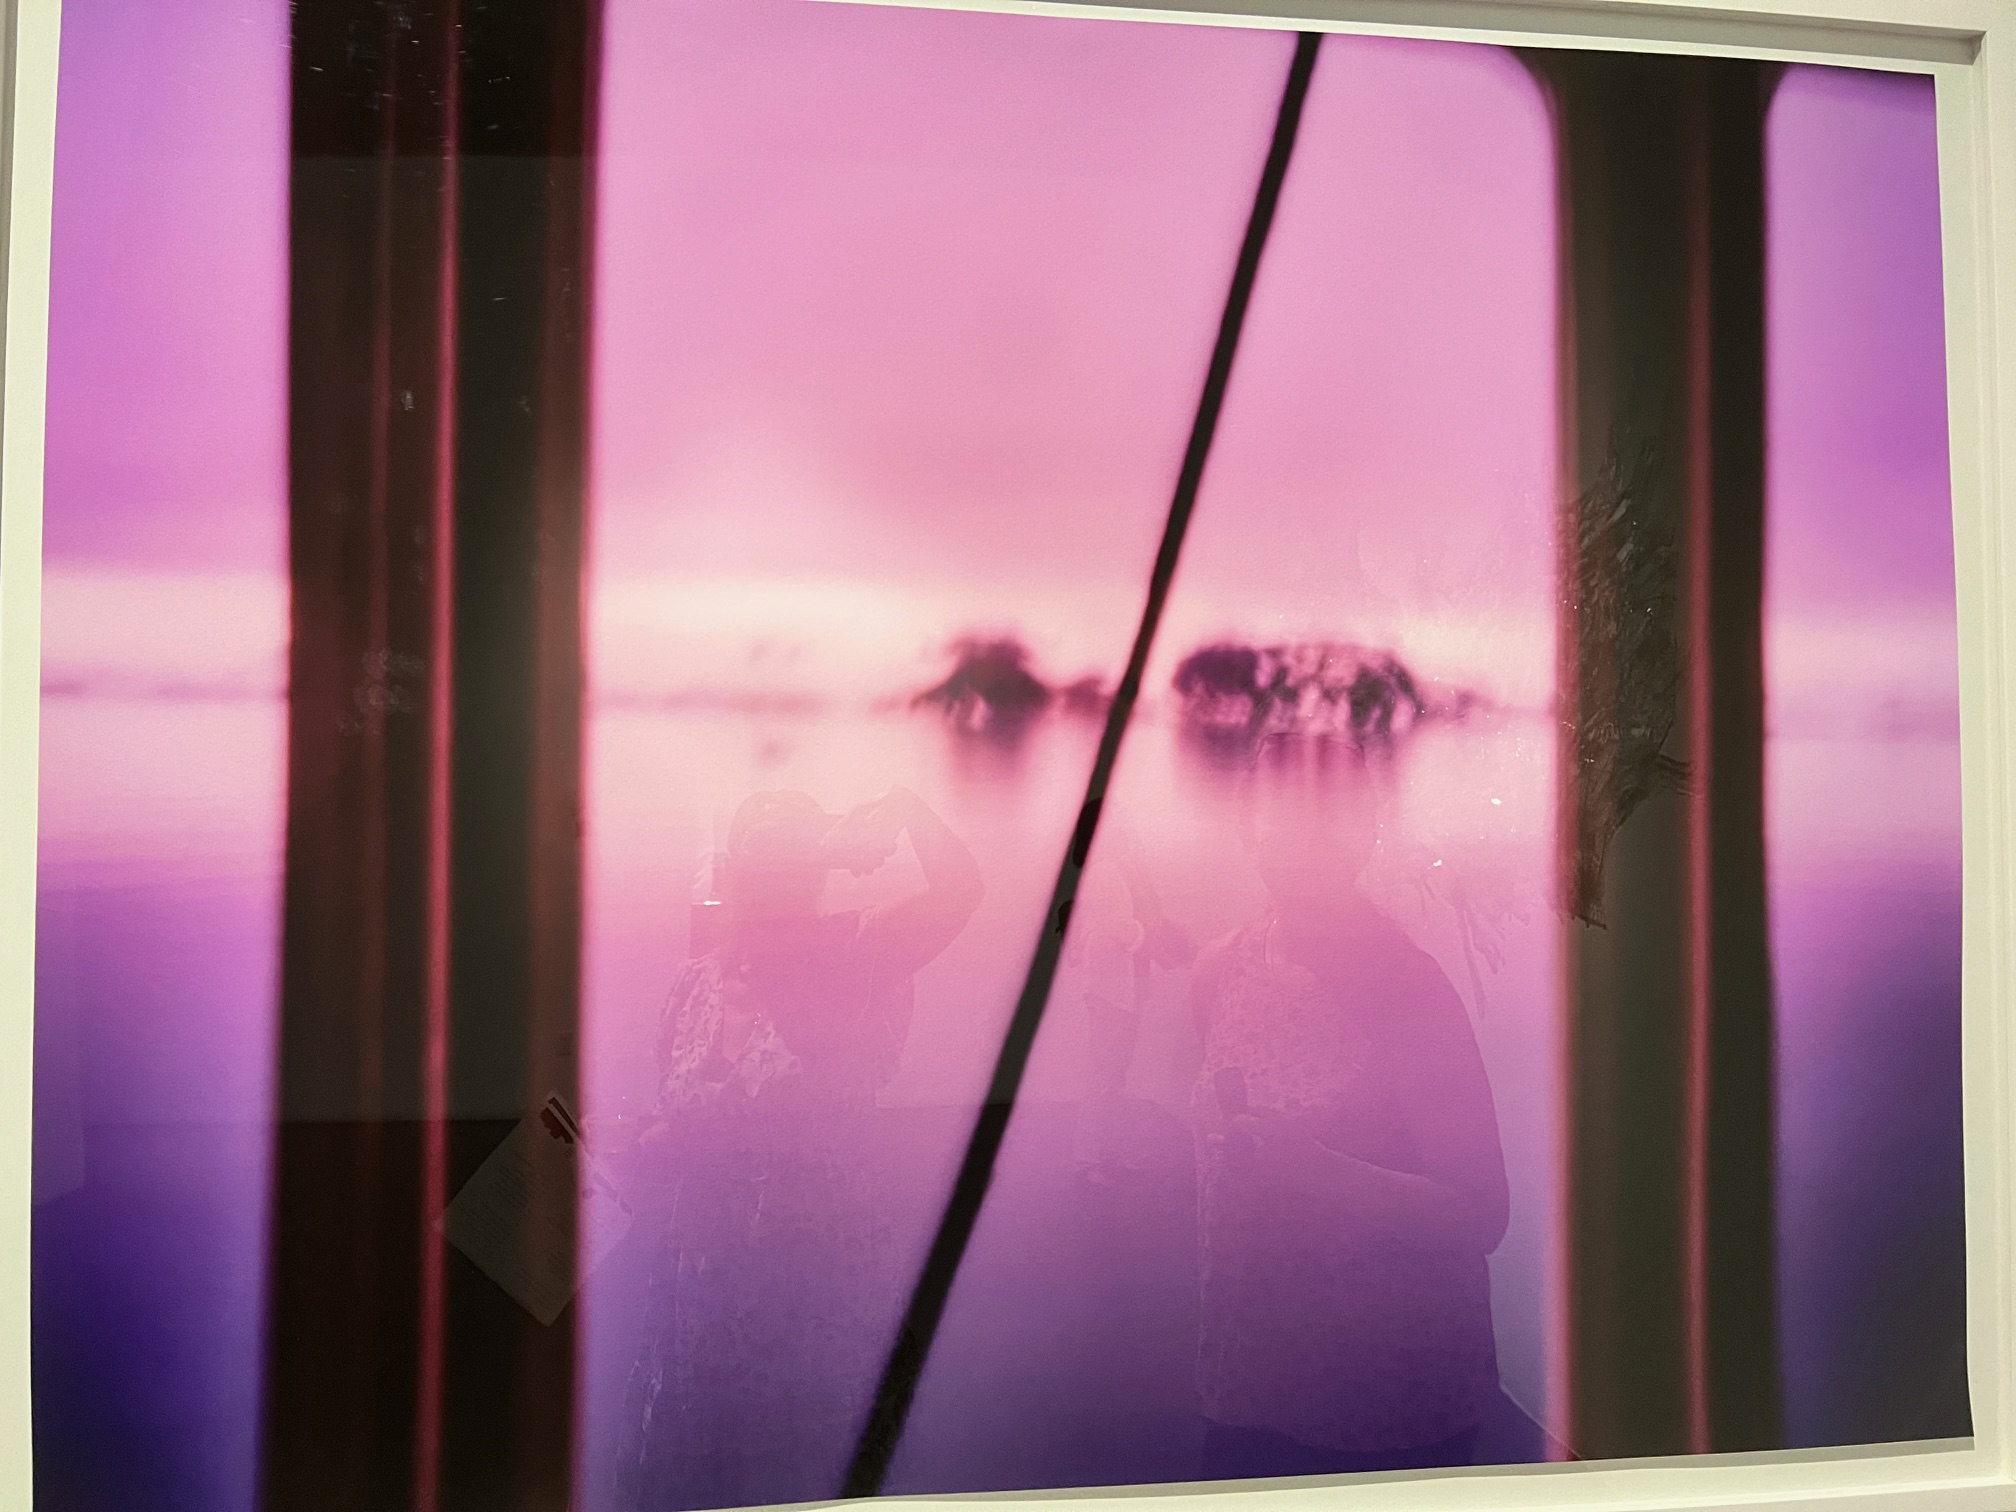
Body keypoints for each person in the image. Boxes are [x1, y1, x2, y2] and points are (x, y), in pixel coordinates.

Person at [613, 786, 983, 1511]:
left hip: (810, 1275)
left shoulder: (854, 954)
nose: (765, 886)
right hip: (703, 1276)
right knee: (701, 1458)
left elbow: (961, 892)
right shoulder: (697, 983)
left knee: (801, 1458)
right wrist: (631, 1138)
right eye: (755, 865)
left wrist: (908, 810)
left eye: (784, 866)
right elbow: (689, 1119)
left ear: (812, 873)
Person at [1189, 732, 1509, 1479]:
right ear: (1249, 830)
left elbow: (1480, 1214)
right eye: (1279, 815)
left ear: (1364, 833)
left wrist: (1318, 1173)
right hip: (1252, 1359)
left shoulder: (1409, 992)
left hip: (1386, 1384)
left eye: (1323, 818)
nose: (1298, 839)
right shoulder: (1221, 969)